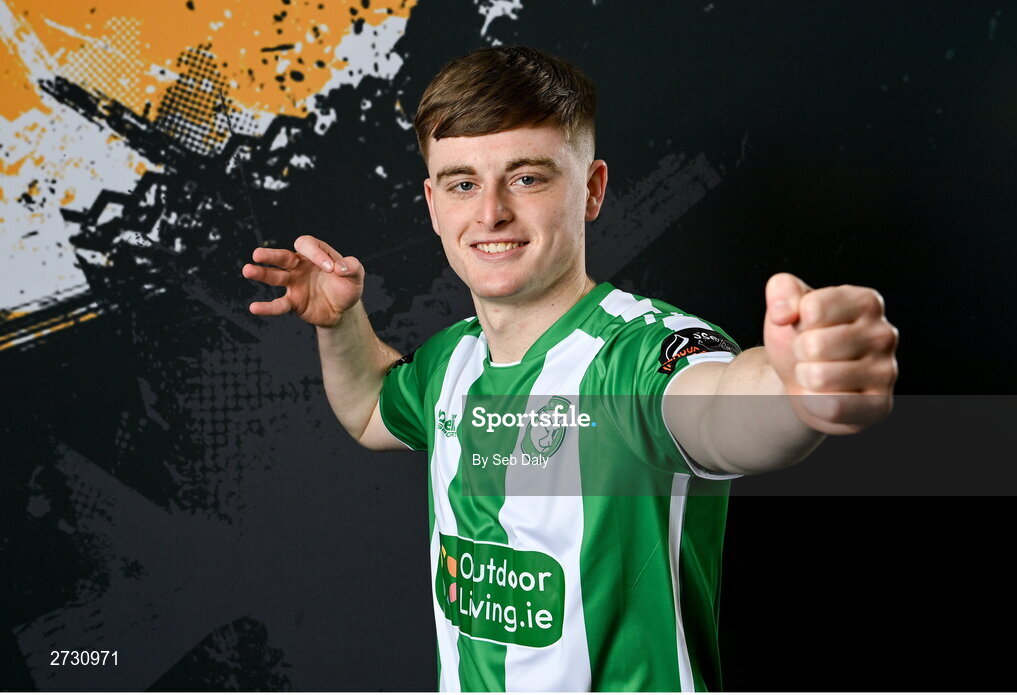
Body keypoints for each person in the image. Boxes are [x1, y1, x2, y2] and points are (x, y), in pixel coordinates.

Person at [241, 46, 898, 692]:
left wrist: (796, 391)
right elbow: (368, 409)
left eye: (527, 177)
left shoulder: (637, 354)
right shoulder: (452, 361)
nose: (491, 211)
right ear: (433, 202)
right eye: (463, 182)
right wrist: (339, 323)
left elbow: (717, 406)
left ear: (592, 189)